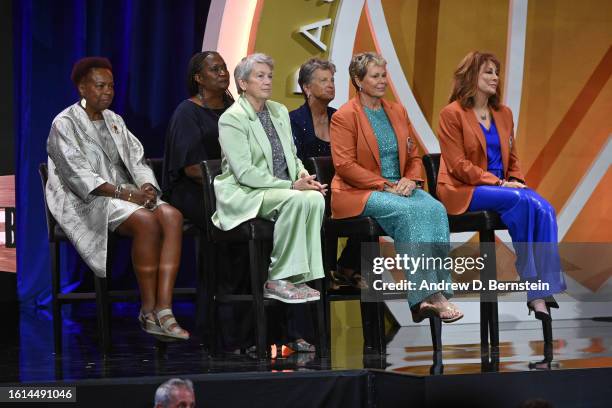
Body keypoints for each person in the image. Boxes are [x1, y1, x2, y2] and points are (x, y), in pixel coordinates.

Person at [46, 57, 188, 341]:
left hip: (127, 193)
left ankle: (164, 307)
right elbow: (79, 177)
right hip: (86, 199)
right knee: (147, 222)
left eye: (111, 86)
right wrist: (127, 193)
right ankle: (147, 310)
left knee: (172, 216)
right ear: (82, 88)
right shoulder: (64, 123)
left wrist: (146, 186)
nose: (107, 91)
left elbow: (137, 159)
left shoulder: (114, 120)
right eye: (100, 86)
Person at [330, 52, 463, 322]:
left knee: (435, 209)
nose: (382, 81)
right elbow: (345, 166)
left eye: (384, 75)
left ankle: (436, 293)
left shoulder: (397, 111)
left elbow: (413, 157)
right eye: (375, 76)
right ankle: (425, 296)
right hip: (360, 191)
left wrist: (410, 180)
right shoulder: (345, 116)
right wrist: (385, 185)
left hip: (400, 188)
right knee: (409, 213)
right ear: (358, 80)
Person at [437, 51, 566, 321]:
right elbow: (458, 165)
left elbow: (513, 158)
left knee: (545, 209)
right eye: (488, 72)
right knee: (521, 201)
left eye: (497, 72)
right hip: (465, 189)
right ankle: (534, 287)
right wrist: (499, 183)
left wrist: (516, 180)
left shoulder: (503, 113)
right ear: (471, 75)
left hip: (503, 187)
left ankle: (541, 288)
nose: (495, 77)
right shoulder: (452, 114)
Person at [213, 53, 327, 304]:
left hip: (281, 188)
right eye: (260, 76)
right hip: (245, 192)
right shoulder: (232, 118)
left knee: (315, 200)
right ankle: (277, 278)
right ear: (243, 84)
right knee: (296, 200)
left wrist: (302, 175)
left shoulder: (278, 111)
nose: (267, 82)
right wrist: (291, 185)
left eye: (270, 76)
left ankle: (298, 277)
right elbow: (245, 172)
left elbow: (292, 155)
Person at [162, 51, 254, 352]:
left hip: (231, 188)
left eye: (224, 67)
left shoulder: (237, 109)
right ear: (198, 78)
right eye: (214, 69)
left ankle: (254, 328)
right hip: (194, 190)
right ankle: (222, 330)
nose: (223, 73)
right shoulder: (187, 113)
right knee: (232, 225)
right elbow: (191, 168)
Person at [289, 57, 363, 290]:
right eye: (323, 80)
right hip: (308, 189)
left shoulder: (340, 117)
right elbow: (293, 161)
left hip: (342, 186)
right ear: (307, 88)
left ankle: (348, 264)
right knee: (322, 201)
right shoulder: (293, 120)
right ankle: (324, 270)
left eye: (332, 80)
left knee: (374, 202)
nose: (331, 84)